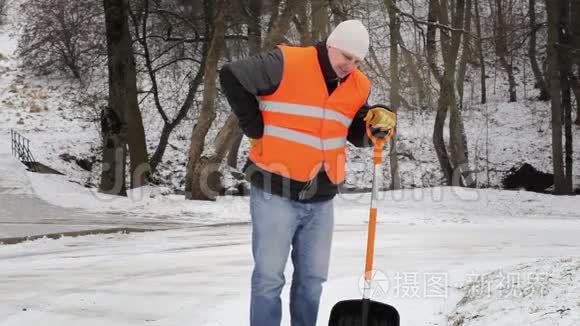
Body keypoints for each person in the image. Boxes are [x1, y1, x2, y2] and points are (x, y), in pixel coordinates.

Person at [219, 19, 397, 326]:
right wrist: (254, 126)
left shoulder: (359, 84)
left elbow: (354, 131)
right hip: (275, 191)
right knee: (268, 279)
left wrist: (375, 125)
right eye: (345, 56)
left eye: (357, 60)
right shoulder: (287, 61)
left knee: (313, 280)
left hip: (321, 195)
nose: (349, 65)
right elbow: (231, 75)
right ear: (331, 45)